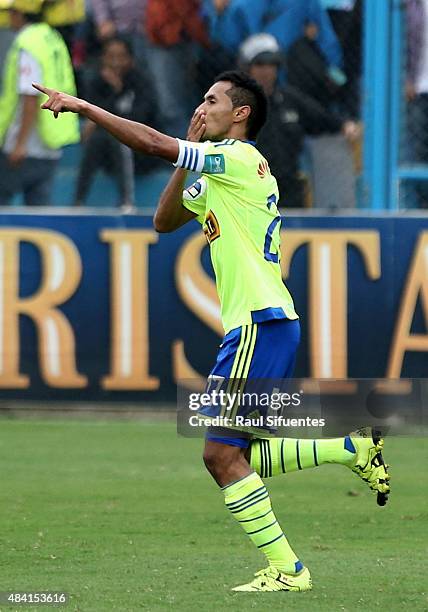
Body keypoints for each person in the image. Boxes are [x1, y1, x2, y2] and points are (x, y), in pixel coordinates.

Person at [33, 70, 390, 592]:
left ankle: (291, 571)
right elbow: (164, 219)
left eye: (212, 99)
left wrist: (86, 108)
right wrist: (187, 155)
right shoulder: (220, 170)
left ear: (239, 114)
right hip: (265, 324)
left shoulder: (238, 159)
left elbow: (154, 143)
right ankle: (348, 451)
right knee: (236, 451)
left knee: (219, 455)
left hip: (257, 325)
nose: (202, 106)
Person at [240, 32, 359, 208]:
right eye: (260, 64)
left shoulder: (289, 100)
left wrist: (344, 125)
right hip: (249, 191)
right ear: (247, 68)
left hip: (288, 189)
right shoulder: (235, 106)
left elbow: (321, 118)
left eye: (272, 64)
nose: (266, 71)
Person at [0, 0, 79, 206]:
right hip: (51, 141)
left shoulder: (28, 43)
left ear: (21, 14)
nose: (9, 17)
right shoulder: (52, 37)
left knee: (4, 206)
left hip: (27, 144)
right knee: (39, 209)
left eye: (12, 12)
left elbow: (29, 95)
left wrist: (20, 144)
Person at [74, 37, 157, 208]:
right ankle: (78, 201)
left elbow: (138, 119)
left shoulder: (141, 82)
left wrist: (119, 90)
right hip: (107, 152)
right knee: (97, 139)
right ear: (103, 58)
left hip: (142, 151)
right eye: (111, 56)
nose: (115, 62)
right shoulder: (98, 82)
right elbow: (92, 118)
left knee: (118, 139)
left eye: (121, 57)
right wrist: (114, 92)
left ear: (130, 59)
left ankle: (127, 201)